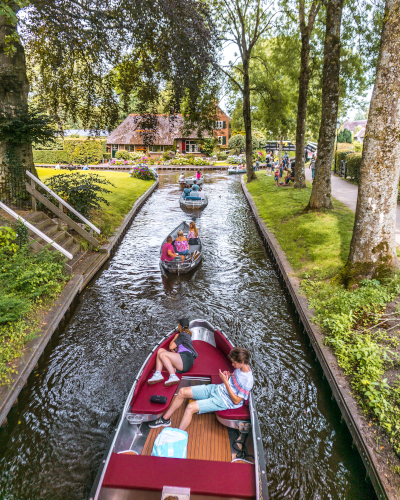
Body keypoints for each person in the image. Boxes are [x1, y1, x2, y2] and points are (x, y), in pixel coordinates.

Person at [149, 347, 254, 430]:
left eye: (234, 363)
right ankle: (165, 419)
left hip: (224, 401)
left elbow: (236, 401)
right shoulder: (239, 368)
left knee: (190, 407)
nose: (232, 364)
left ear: (242, 362)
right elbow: (235, 377)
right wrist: (229, 375)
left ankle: (178, 435)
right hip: (217, 389)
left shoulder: (248, 380)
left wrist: (226, 382)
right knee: (182, 391)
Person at [147, 318, 198, 386]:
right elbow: (180, 348)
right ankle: (157, 374)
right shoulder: (187, 335)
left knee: (163, 355)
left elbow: (171, 347)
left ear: (179, 326)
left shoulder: (182, 335)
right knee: (160, 350)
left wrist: (175, 337)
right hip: (185, 361)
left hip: (186, 358)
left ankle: (173, 376)